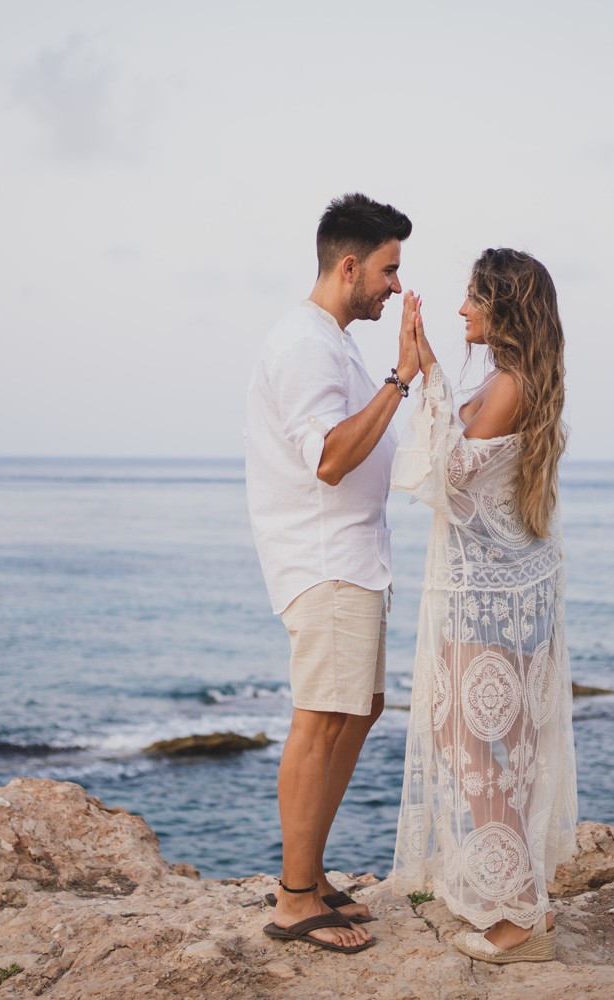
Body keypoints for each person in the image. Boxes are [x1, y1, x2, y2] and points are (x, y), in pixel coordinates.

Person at [388, 247, 579, 963]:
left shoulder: (510, 386)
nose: (462, 308)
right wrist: (431, 371)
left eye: (472, 297)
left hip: (487, 595)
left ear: (501, 307)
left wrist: (425, 373)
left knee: (482, 751)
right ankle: (521, 897)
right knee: (483, 747)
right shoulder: (510, 381)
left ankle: (518, 921)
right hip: (490, 589)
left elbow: (448, 481)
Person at [244, 193, 420, 954]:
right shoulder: (305, 344)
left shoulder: (335, 339)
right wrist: (401, 379)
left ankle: (310, 877)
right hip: (324, 560)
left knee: (360, 708)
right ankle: (291, 900)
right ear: (348, 266)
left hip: (356, 558)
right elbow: (330, 457)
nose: (393, 285)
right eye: (388, 270)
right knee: (320, 719)